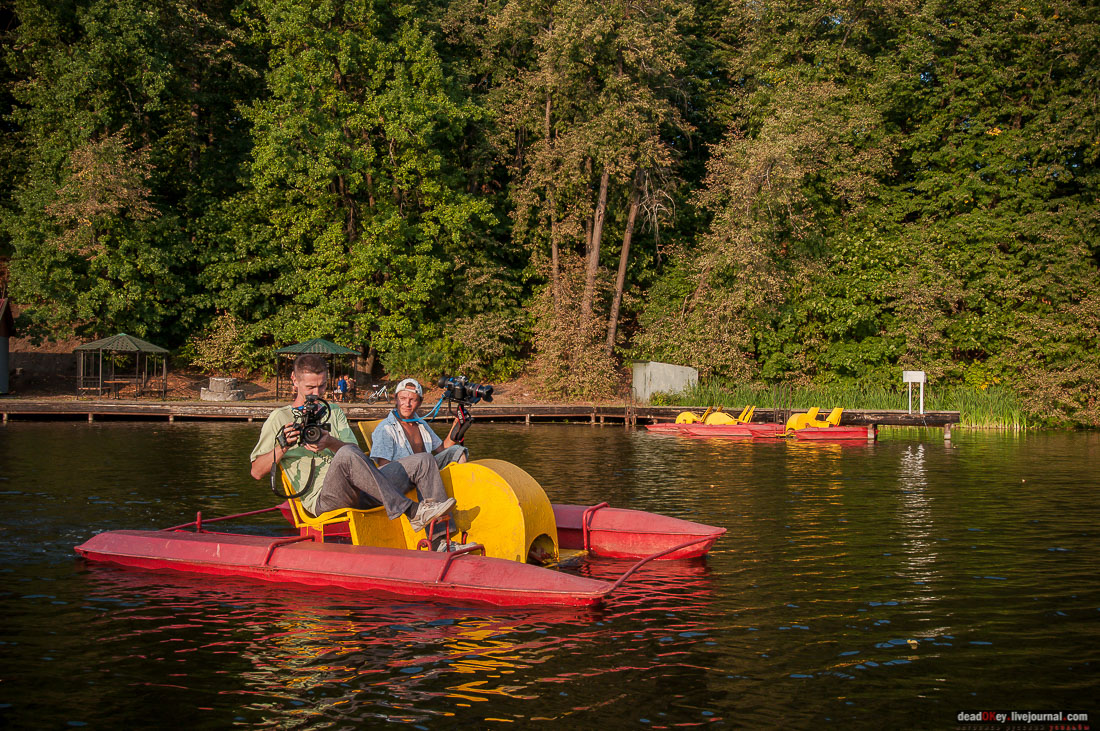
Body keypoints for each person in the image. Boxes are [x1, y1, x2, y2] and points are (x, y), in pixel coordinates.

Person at [250, 354, 454, 532]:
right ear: (294, 380)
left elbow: (355, 453)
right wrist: (282, 446)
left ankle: (443, 540)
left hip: (364, 488)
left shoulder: (334, 411)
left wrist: (329, 441)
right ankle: (412, 511)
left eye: (322, 386)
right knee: (346, 453)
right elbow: (257, 472)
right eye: (310, 387)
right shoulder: (279, 418)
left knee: (424, 460)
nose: (317, 393)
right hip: (324, 499)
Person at [371, 378, 469, 469]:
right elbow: (384, 468)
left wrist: (457, 425)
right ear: (396, 399)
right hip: (404, 477)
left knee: (458, 451)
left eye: (412, 400)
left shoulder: (421, 423)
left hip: (427, 470)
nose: (407, 404)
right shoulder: (385, 429)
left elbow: (442, 448)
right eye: (403, 398)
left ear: (420, 402)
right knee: (424, 458)